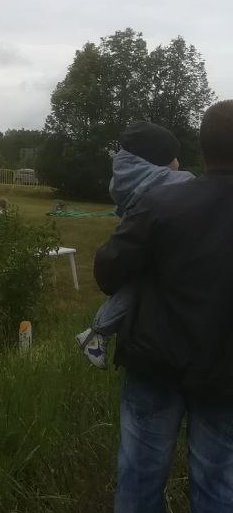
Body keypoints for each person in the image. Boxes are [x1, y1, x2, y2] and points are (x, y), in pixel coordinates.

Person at [93, 100, 233, 513]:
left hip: (154, 367)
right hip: (226, 379)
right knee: (219, 502)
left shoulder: (162, 200)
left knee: (139, 483)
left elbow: (108, 269)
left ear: (200, 148)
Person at [76, 122, 194, 368]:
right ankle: (97, 331)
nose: (178, 162)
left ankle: (97, 332)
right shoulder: (171, 183)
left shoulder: (129, 177)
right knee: (138, 285)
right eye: (172, 157)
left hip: (135, 252)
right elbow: (191, 186)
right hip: (167, 332)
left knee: (135, 285)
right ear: (158, 159)